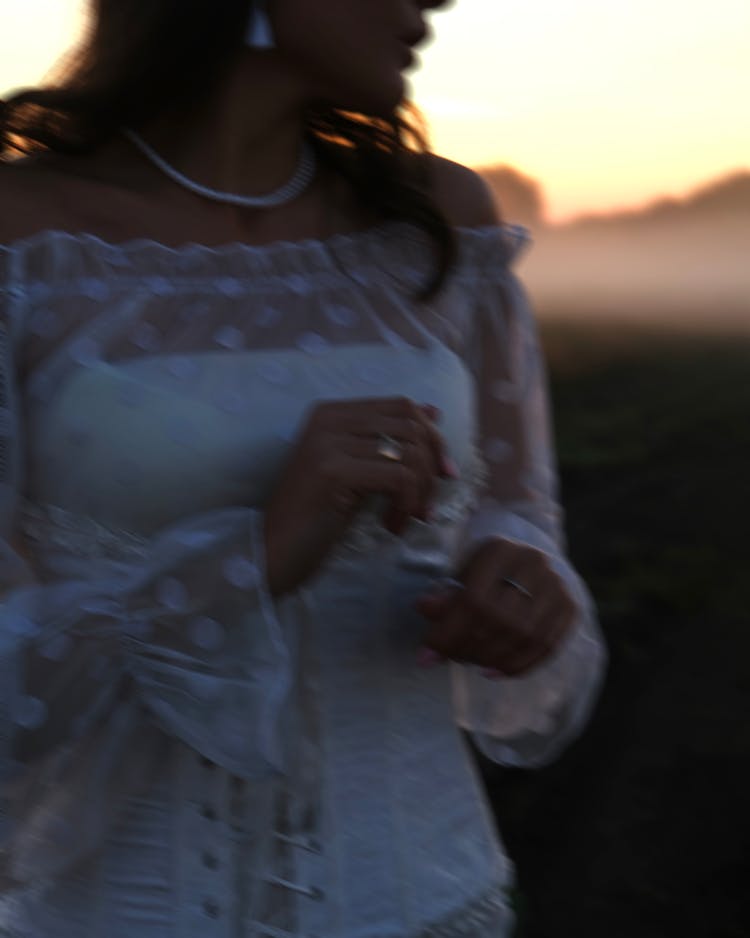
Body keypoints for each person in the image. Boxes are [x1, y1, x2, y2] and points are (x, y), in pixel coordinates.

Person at [0, 1, 607, 935]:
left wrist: (522, 587)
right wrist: (258, 556)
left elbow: (518, 515)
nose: (429, 5)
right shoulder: (24, 238)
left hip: (432, 897)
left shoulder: (441, 223)